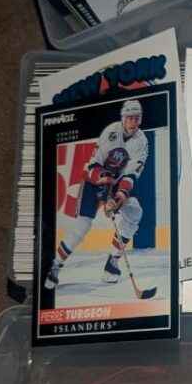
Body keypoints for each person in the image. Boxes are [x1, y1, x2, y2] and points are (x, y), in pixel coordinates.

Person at [44, 100, 148, 290]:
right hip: (94, 180)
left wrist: (118, 197)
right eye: (130, 118)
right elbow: (93, 165)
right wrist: (104, 193)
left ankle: (112, 262)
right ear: (123, 118)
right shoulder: (111, 132)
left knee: (135, 212)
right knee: (82, 226)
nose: (133, 122)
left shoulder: (142, 141)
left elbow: (131, 174)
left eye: (137, 118)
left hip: (116, 183)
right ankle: (56, 265)